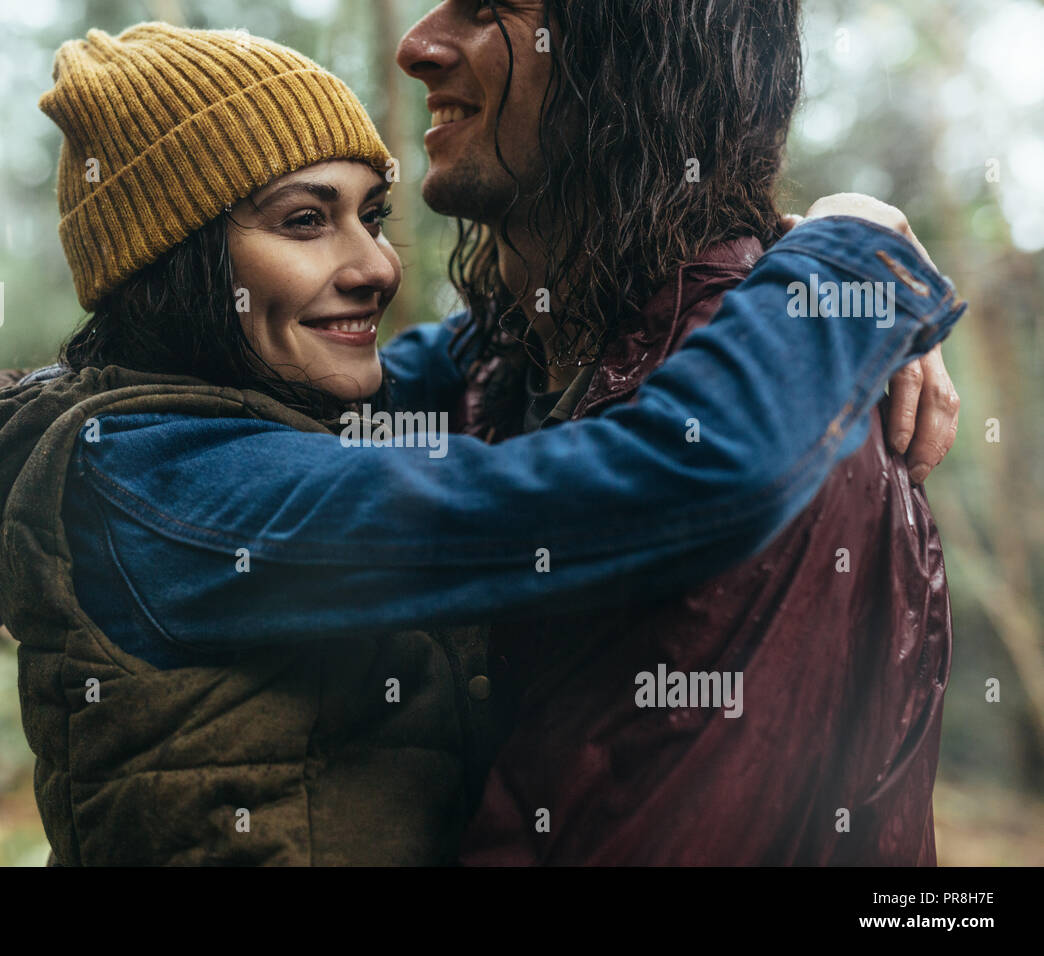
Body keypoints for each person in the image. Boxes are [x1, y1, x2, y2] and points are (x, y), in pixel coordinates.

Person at [0, 23, 963, 865]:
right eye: (304, 221)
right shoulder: (165, 484)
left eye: (371, 213)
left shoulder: (246, 405)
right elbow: (683, 471)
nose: (374, 265)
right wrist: (851, 261)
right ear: (179, 266)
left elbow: (503, 335)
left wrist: (794, 258)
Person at [391, 0, 958, 863]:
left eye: (486, 7)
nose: (416, 47)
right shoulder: (496, 369)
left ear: (632, 54)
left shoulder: (783, 425)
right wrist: (851, 249)